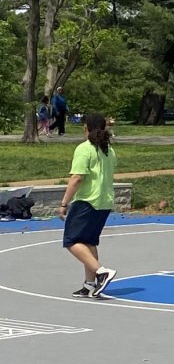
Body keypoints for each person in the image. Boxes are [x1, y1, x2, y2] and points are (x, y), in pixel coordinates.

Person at [58, 112, 118, 298]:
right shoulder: (109, 150)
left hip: (87, 201)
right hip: (104, 202)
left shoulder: (84, 149)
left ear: (86, 128)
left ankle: (101, 272)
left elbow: (77, 178)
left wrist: (64, 203)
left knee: (71, 241)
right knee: (89, 242)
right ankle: (90, 284)